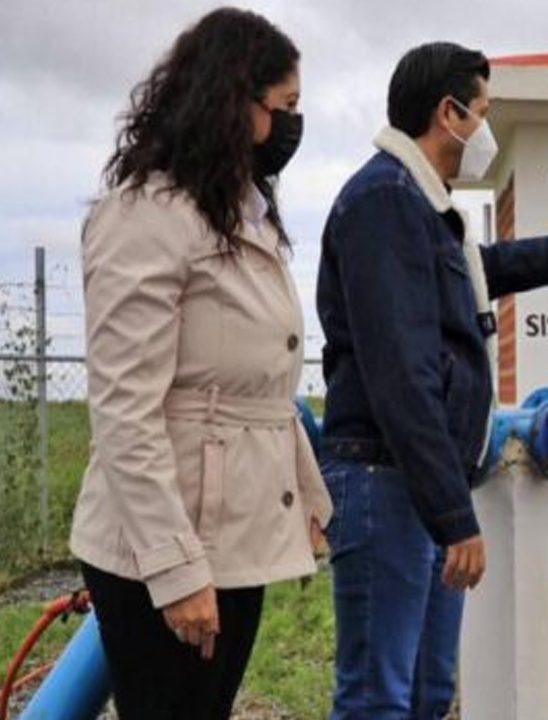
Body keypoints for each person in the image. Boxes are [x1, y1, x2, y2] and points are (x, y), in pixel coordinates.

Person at [315, 42, 548, 720]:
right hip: (387, 479)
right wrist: (454, 516)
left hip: (420, 478)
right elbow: (402, 374)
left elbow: (467, 273)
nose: (485, 127)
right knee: (376, 699)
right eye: (481, 111)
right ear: (447, 113)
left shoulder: (419, 204)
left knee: (425, 695)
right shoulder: (383, 200)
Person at [70, 9, 330, 720]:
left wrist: (305, 496)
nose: (291, 128)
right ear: (230, 101)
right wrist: (175, 568)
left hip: (231, 531)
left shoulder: (239, 214)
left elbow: (262, 388)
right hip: (168, 540)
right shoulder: (147, 215)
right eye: (285, 108)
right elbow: (125, 410)